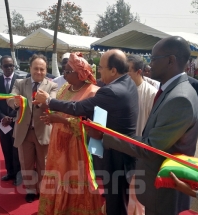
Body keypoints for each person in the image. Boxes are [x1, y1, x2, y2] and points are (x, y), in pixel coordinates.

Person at [86, 36, 198, 215]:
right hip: (157, 182)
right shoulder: (172, 90)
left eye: (154, 59)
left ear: (171, 60)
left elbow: (151, 147)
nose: (149, 64)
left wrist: (104, 136)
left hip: (165, 187)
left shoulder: (180, 98)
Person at [35, 49, 138, 215]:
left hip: (107, 152)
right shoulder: (128, 83)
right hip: (110, 149)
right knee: (116, 200)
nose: (99, 72)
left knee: (116, 202)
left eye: (102, 68)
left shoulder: (105, 91)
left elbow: (79, 109)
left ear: (113, 70)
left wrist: (49, 101)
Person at [37, 52, 102, 215]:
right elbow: (57, 109)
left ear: (80, 73)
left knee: (75, 180)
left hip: (77, 146)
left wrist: (61, 120)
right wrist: (46, 111)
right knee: (57, 177)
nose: (64, 74)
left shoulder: (93, 92)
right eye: (63, 70)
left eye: (67, 71)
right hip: (58, 143)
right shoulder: (64, 88)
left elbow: (93, 126)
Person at [7, 54, 58, 203]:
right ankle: (30, 189)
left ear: (46, 70)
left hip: (43, 132)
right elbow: (10, 97)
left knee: (44, 164)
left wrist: (44, 101)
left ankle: (42, 190)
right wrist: (15, 103)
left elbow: (53, 104)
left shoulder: (52, 85)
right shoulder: (20, 83)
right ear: (30, 68)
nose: (39, 72)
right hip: (24, 132)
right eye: (36, 68)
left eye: (42, 69)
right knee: (26, 163)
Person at [127, 55, 157, 215]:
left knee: (138, 192)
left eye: (128, 71)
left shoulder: (151, 94)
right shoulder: (124, 90)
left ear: (139, 71)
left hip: (141, 150)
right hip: (125, 147)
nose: (125, 75)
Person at [0, 55, 21, 186]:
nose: (9, 68)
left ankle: (19, 175)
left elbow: (22, 102)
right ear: (1, 66)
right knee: (6, 148)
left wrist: (12, 117)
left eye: (11, 65)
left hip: (17, 122)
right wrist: (3, 117)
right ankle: (10, 173)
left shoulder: (20, 82)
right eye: (6, 66)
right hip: (1, 123)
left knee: (17, 150)